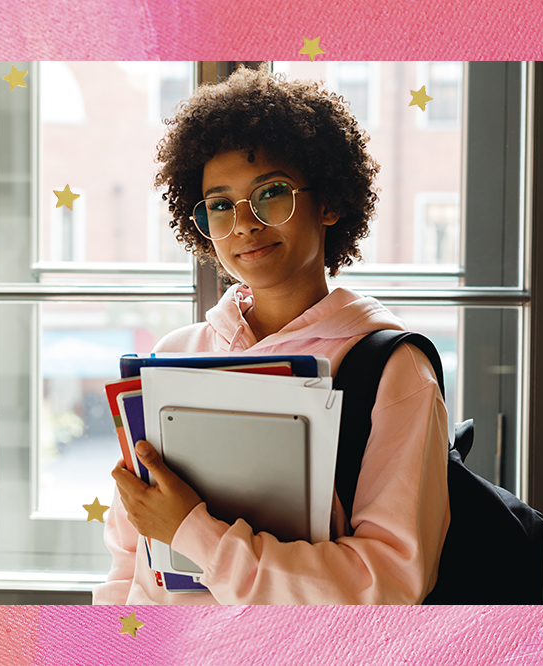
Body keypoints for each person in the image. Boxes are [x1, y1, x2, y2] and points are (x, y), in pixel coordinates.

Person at [93, 64, 450, 605]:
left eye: (271, 193)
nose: (245, 223)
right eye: (219, 204)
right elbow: (129, 554)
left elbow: (388, 582)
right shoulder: (173, 356)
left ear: (328, 201)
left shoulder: (393, 370)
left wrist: (193, 530)